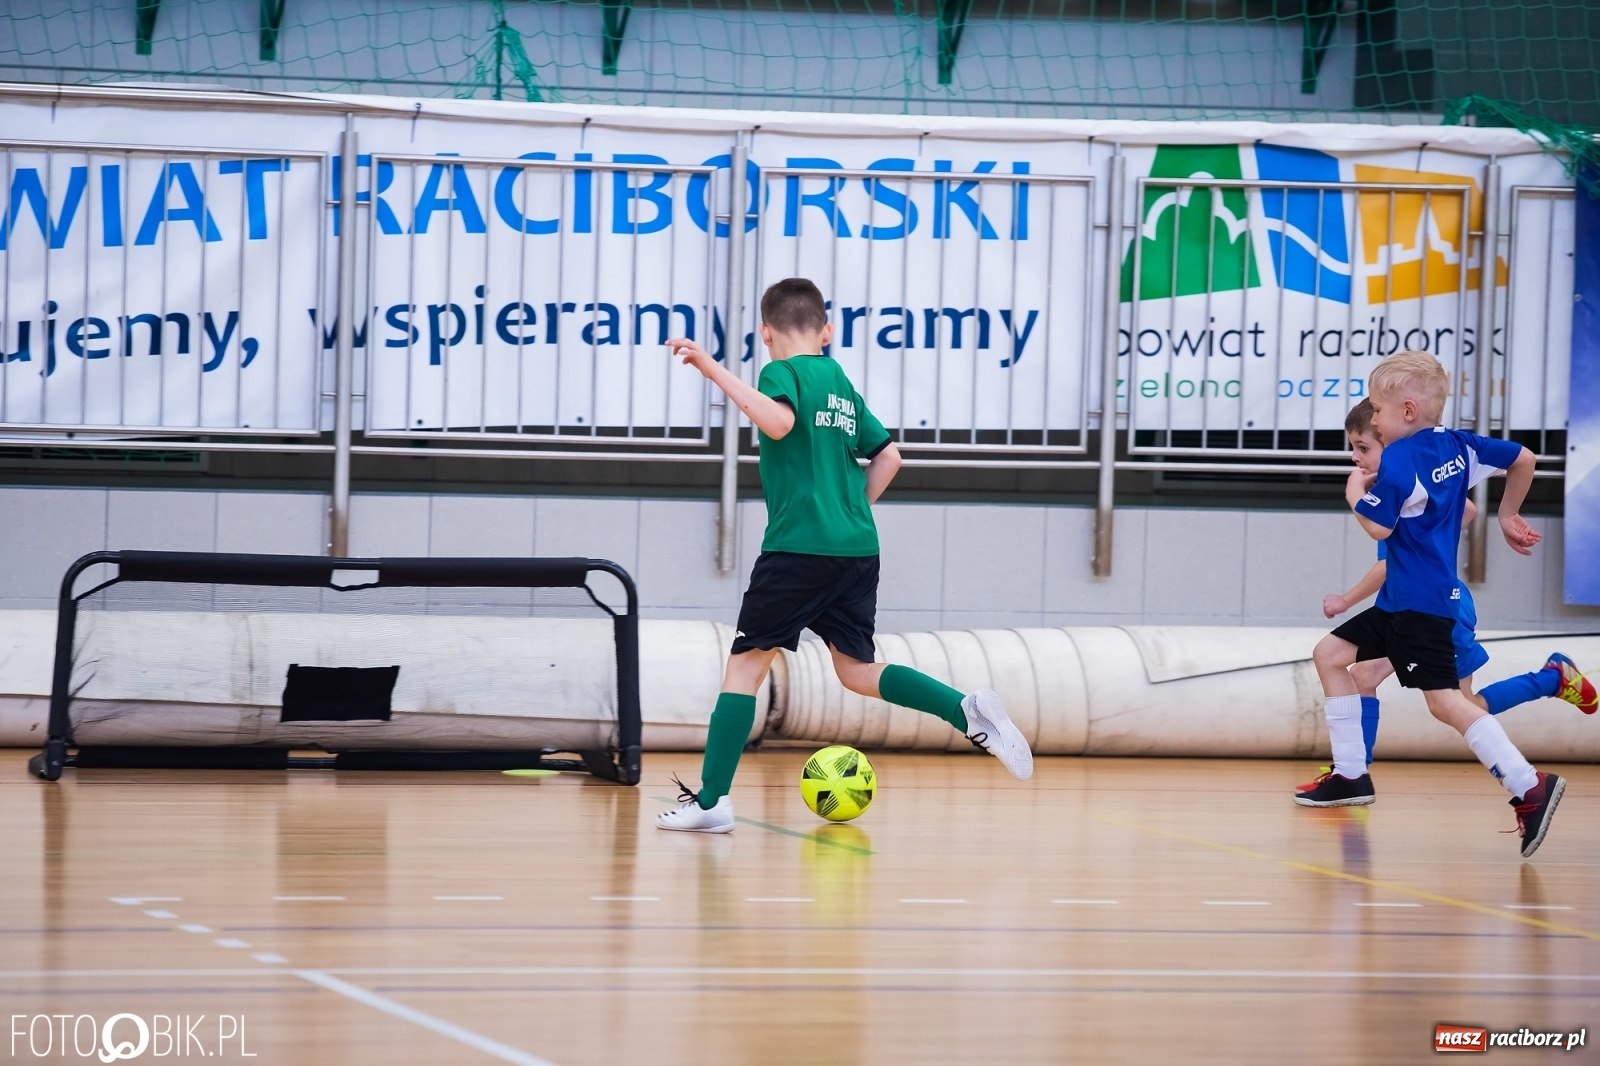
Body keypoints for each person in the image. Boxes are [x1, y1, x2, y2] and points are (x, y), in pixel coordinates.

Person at [654, 278, 1033, 833]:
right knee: (855, 670)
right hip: (857, 549)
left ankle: (711, 801)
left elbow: (779, 422)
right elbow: (889, 458)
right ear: (826, 330)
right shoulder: (839, 383)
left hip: (798, 548)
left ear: (765, 332)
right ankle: (964, 709)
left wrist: (712, 368)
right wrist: (847, 510)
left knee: (744, 667)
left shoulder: (779, 373)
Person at [1297, 352, 1564, 858]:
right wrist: (1509, 514)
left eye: (1377, 409)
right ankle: (1351, 775)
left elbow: (1379, 526)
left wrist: (1354, 492)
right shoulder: (1460, 446)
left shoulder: (1399, 459)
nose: (1373, 418)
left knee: (1447, 703)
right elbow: (1524, 458)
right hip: (1404, 601)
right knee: (1330, 655)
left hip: (1420, 606)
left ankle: (1528, 785)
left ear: (1408, 410)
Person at [1303, 399, 1596, 790]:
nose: (1355, 458)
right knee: (1358, 672)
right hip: (1407, 602)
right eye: (1353, 448)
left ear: (1391, 439)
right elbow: (1470, 510)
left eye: (1364, 447)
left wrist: (1345, 600)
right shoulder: (1401, 482)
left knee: (1458, 704)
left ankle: (1550, 681)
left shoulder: (1398, 486)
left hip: (1438, 605)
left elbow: (1387, 559)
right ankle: (1352, 772)